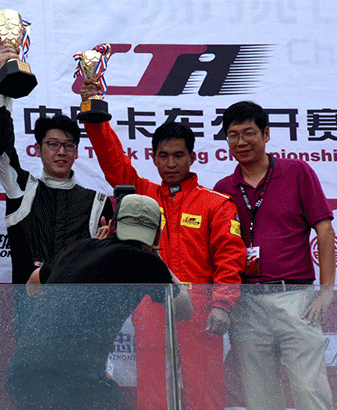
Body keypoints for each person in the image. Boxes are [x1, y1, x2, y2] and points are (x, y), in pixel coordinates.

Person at [81, 79, 246, 410]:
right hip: (151, 305)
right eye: (164, 156)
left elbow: (231, 257)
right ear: (153, 157)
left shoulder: (216, 204)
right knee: (153, 389)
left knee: (205, 389)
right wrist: (93, 113)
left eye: (178, 156)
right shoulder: (142, 195)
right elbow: (113, 162)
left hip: (201, 308)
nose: (171, 164)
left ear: (192, 157)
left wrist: (222, 304)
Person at [5, 194, 192, 410]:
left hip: (21, 374)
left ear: (111, 226)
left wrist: (92, 250)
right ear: (157, 237)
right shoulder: (146, 260)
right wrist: (157, 259)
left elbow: (32, 287)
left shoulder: (78, 247)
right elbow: (184, 309)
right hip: (74, 378)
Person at [213, 101, 335, 410]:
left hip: (295, 298)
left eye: (249, 133)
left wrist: (327, 291)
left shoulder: (297, 172)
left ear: (266, 134)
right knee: (260, 397)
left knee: (310, 390)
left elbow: (323, 228)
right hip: (246, 303)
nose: (241, 141)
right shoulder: (223, 189)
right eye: (233, 135)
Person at [0, 45, 113, 339]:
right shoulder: (22, 189)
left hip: (80, 320)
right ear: (38, 149)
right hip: (29, 316)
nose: (61, 152)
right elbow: (1, 144)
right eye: (53, 144)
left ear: (77, 152)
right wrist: (3, 84)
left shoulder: (98, 203)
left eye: (69, 145)